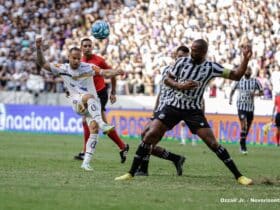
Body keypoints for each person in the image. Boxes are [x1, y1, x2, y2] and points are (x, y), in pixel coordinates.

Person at [115, 39, 253, 186]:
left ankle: (239, 176)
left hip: (193, 110)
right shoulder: (182, 62)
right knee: (150, 135)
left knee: (213, 143)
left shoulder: (211, 67)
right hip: (173, 107)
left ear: (204, 52)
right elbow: (167, 79)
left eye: (196, 51)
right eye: (192, 49)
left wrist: (245, 59)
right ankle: (130, 173)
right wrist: (179, 86)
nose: (192, 53)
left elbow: (236, 75)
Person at [35, 36, 123, 171]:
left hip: (92, 106)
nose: (76, 61)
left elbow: (104, 72)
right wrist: (38, 48)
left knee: (93, 130)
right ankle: (103, 123)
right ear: (69, 57)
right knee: (88, 97)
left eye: (78, 58)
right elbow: (43, 64)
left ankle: (86, 163)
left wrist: (115, 71)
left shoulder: (88, 67)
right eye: (73, 58)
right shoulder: (62, 68)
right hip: (78, 103)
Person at [135, 45, 190, 176]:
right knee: (147, 140)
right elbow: (161, 92)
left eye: (185, 57)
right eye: (180, 56)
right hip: (160, 110)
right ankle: (176, 159)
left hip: (170, 110)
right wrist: (154, 111)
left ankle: (143, 169)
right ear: (175, 56)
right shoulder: (166, 70)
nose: (182, 59)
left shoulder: (187, 75)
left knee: (147, 137)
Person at [74, 37, 129, 163]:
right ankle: (122, 146)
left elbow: (112, 73)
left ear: (92, 47)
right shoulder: (79, 61)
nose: (87, 48)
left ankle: (85, 152)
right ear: (81, 48)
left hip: (99, 94)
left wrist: (113, 92)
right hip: (88, 95)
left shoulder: (99, 60)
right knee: (97, 123)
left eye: (89, 46)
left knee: (90, 121)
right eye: (85, 46)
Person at [229, 67, 263, 154]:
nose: (248, 71)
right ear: (244, 71)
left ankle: (241, 141)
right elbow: (232, 89)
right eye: (246, 70)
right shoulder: (239, 80)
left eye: (249, 70)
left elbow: (262, 92)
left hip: (250, 107)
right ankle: (243, 147)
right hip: (241, 106)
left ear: (251, 72)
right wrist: (230, 98)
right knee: (243, 125)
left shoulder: (255, 81)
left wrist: (255, 94)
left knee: (247, 128)